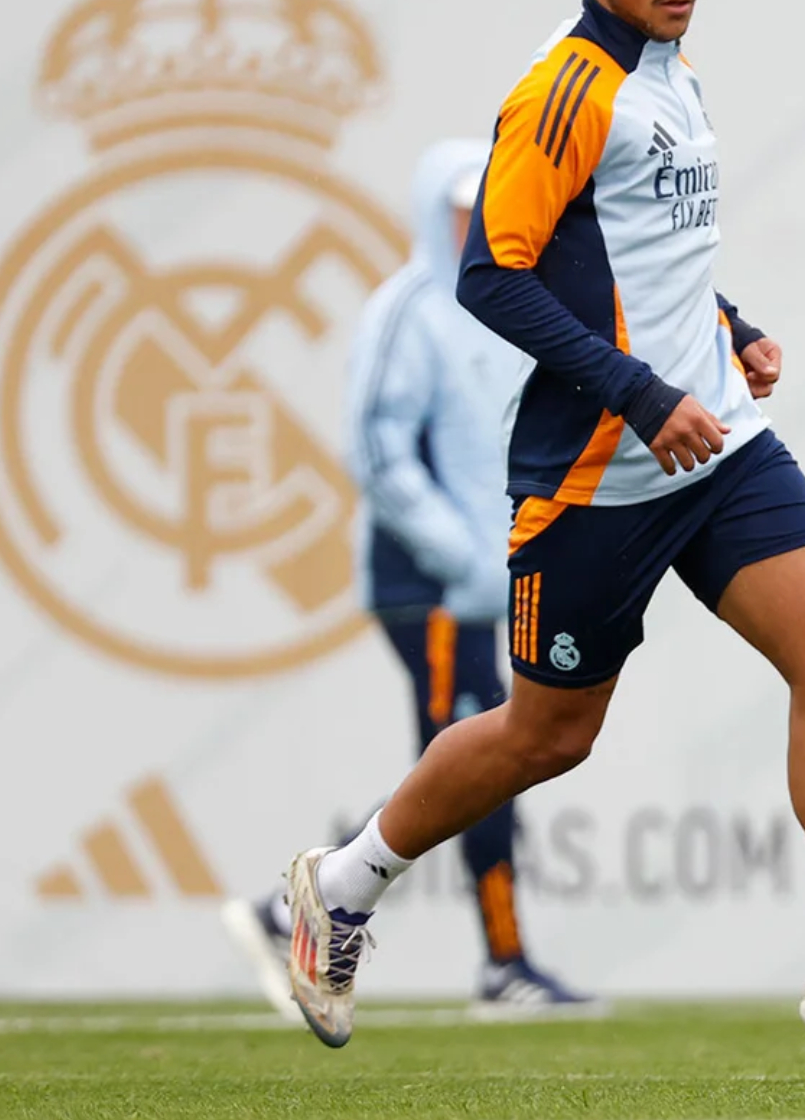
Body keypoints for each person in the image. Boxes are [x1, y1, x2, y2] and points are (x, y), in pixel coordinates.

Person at [276, 0, 805, 1076]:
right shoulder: (565, 88)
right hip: (598, 469)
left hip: (717, 450)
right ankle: (343, 882)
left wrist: (731, 327)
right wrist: (646, 394)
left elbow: (649, 261)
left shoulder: (675, 73)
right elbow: (497, 271)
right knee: (547, 735)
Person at [222, 143, 593, 1016]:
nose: (476, 225)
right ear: (435, 215)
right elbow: (379, 454)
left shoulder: (513, 309)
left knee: (473, 761)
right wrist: (459, 558)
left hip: (487, 585)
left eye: (486, 208)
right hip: (425, 589)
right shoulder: (410, 308)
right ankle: (499, 962)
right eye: (461, 210)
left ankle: (294, 913)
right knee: (481, 760)